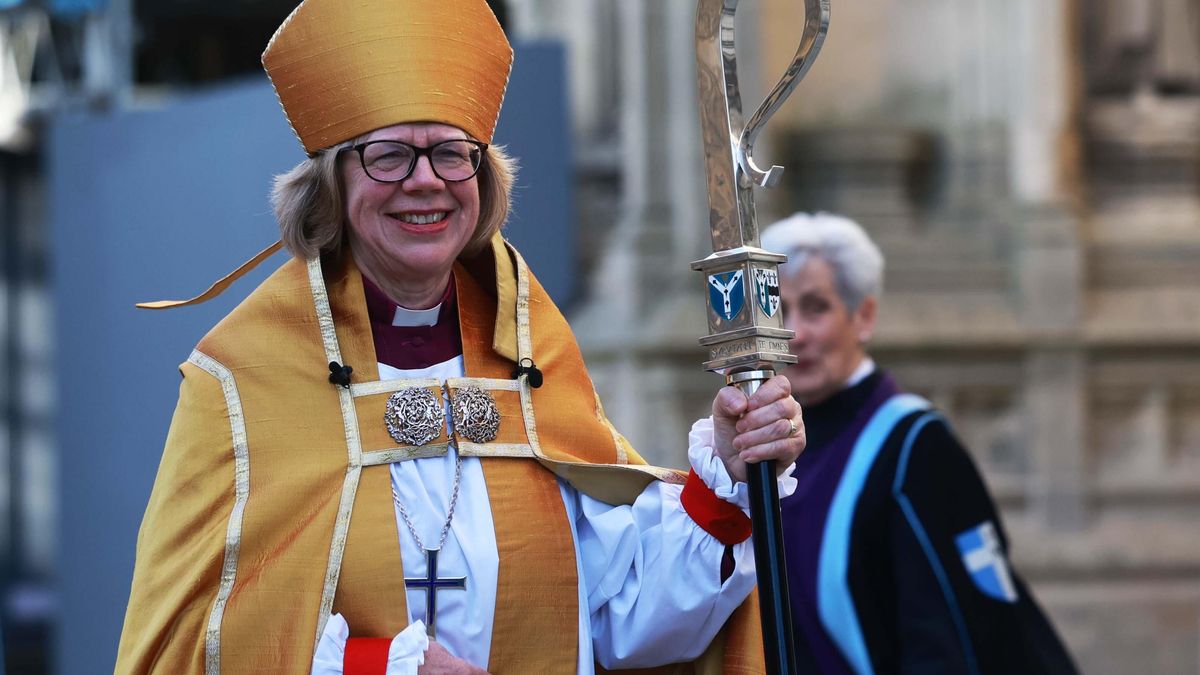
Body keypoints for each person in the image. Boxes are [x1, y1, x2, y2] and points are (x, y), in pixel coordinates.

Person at [115, 1, 806, 673]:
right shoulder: (240, 382)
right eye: (388, 156)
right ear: (330, 183)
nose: (425, 182)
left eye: (452, 153)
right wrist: (378, 667)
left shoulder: (531, 361)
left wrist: (726, 477)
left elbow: (622, 618)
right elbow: (192, 642)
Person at [760, 212, 1078, 674]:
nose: (796, 333)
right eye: (780, 311)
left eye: (816, 307)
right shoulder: (761, 450)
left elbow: (952, 631)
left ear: (863, 316)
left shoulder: (915, 446)